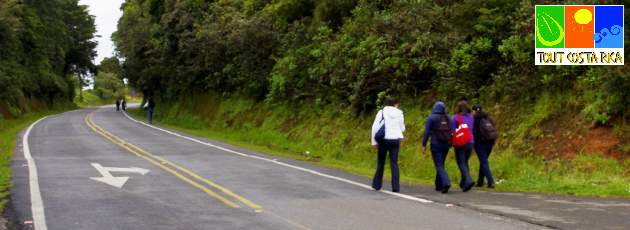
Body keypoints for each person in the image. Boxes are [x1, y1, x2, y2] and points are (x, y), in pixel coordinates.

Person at [370, 97, 405, 193]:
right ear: (395, 104)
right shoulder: (399, 113)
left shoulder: (381, 112)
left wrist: (374, 142)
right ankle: (396, 187)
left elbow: (375, 126)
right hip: (395, 140)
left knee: (381, 162)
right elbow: (402, 128)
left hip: (384, 140)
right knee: (394, 163)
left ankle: (377, 185)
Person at [421, 101, 452, 193]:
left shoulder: (431, 118)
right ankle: (439, 185)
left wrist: (424, 144)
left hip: (436, 144)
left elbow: (426, 133)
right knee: (441, 164)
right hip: (446, 144)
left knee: (439, 165)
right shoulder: (448, 118)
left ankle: (446, 182)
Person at [451, 100, 475, 192]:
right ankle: (463, 182)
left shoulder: (455, 118)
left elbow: (453, 131)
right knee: (465, 162)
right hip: (470, 141)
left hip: (460, 142)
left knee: (461, 162)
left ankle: (468, 180)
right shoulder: (471, 117)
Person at [473, 104, 497, 188]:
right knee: (483, 161)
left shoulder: (474, 119)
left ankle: (491, 182)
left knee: (484, 162)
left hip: (480, 144)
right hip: (490, 143)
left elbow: (473, 132)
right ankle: (480, 181)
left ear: (474, 110)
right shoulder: (488, 117)